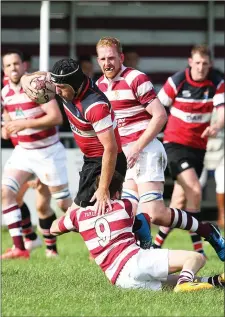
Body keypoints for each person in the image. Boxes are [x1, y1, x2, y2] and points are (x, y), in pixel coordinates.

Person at [95, 36, 225, 260]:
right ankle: (145, 256)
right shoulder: (99, 86)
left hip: (146, 151)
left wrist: (137, 146)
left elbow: (160, 114)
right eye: (103, 59)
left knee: (154, 213)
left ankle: (206, 231)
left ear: (121, 58)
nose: (108, 63)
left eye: (112, 58)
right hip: (130, 155)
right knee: (129, 213)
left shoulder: (136, 78)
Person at [50, 171, 224, 292]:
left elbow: (54, 229)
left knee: (168, 282)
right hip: (134, 260)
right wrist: (147, 247)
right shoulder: (123, 205)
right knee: (196, 258)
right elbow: (143, 221)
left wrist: (76, 216)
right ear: (118, 192)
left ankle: (216, 281)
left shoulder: (78, 216)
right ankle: (185, 283)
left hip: (118, 280)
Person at [1, 50, 72, 259]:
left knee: (62, 205)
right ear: (4, 70)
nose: (13, 68)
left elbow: (56, 117)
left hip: (48, 152)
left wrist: (24, 123)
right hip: (24, 151)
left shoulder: (37, 86)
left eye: (16, 63)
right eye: (8, 65)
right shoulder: (4, 93)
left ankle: (97, 242)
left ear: (24, 66)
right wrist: (5, 129)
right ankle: (20, 248)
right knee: (5, 193)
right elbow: (7, 120)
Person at [153, 45, 225, 253]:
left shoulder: (217, 82)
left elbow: (222, 112)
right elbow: (156, 108)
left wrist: (216, 126)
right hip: (174, 144)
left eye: (205, 63)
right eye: (197, 62)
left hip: (198, 148)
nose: (201, 67)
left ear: (210, 64)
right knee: (194, 190)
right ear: (190, 62)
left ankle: (155, 248)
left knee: (178, 202)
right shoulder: (177, 81)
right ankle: (199, 250)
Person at [200, 107, 224, 228]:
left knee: (223, 182)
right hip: (199, 146)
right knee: (196, 184)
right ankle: (191, 218)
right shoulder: (199, 99)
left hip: (222, 147)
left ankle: (222, 217)